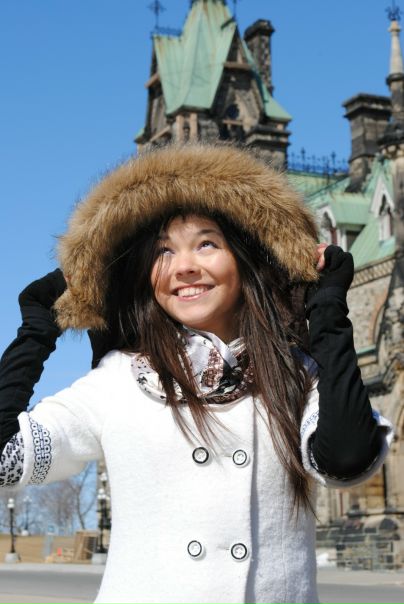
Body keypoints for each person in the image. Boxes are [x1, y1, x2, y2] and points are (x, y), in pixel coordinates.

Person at [0, 144, 393, 604]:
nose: (185, 267)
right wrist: (37, 331)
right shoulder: (119, 380)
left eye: (207, 243)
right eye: (162, 251)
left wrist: (326, 311)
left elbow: (346, 459)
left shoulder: (297, 375)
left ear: (245, 258)